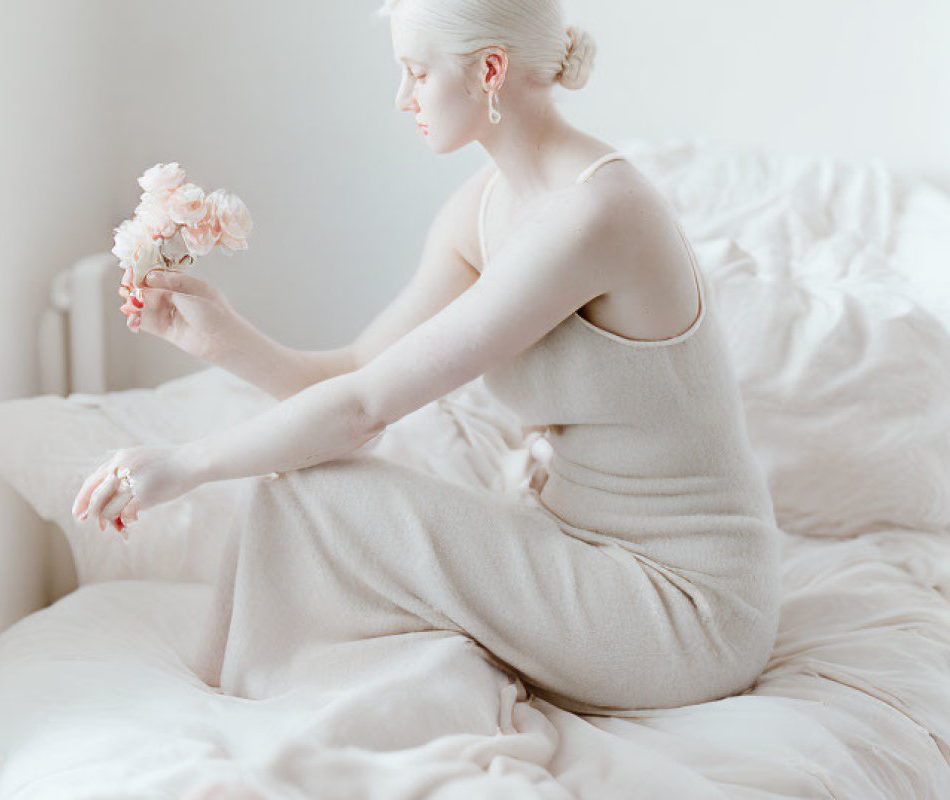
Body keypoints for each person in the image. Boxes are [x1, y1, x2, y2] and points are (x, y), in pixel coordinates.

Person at [71, 0, 782, 714]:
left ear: (491, 71)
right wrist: (222, 338)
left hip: (686, 608)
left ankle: (234, 708)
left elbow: (360, 411)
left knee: (305, 490)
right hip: (572, 544)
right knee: (303, 486)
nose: (401, 97)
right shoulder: (481, 208)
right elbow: (356, 374)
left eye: (415, 73)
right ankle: (236, 699)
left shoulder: (597, 214)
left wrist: (187, 465)